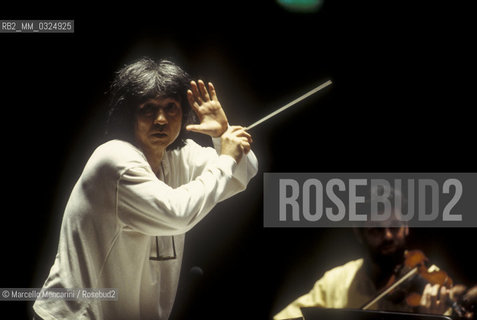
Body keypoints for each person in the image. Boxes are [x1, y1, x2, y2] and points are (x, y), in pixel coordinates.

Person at [33, 58, 258, 320]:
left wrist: (222, 134)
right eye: (148, 109)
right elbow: (177, 214)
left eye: (171, 108)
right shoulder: (114, 159)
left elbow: (242, 174)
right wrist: (226, 158)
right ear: (130, 115)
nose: (161, 119)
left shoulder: (178, 155)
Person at [273, 186, 466, 320]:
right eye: (376, 230)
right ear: (359, 233)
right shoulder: (337, 281)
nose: (388, 236)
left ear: (406, 226)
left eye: (395, 226)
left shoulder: (430, 279)